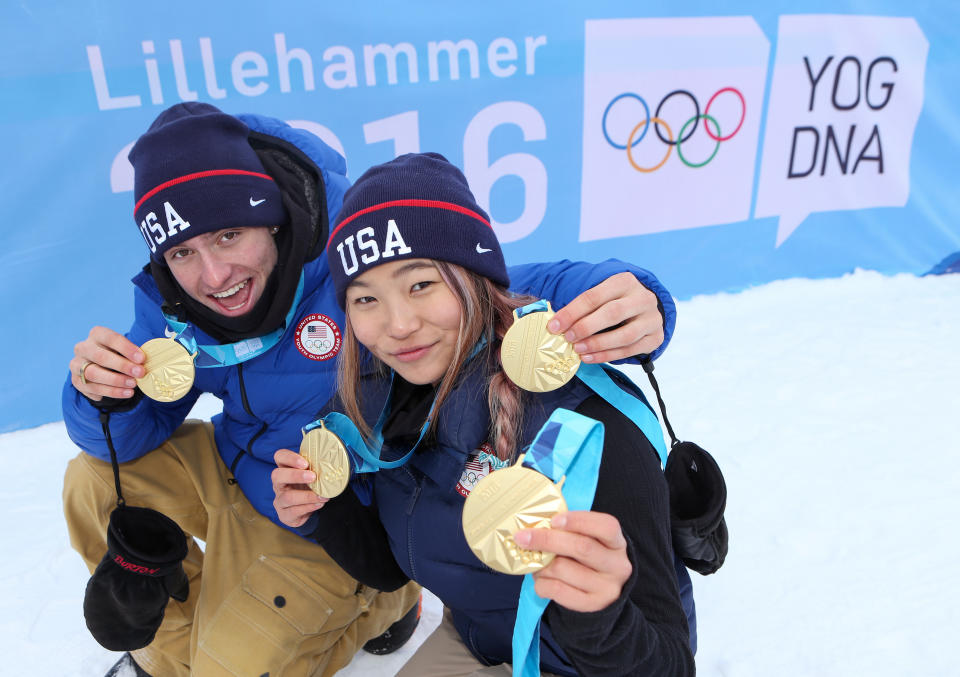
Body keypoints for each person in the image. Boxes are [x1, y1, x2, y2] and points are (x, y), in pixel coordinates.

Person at [63, 105, 678, 677]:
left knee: (229, 665)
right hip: (269, 478)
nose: (214, 276)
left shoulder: (353, 258)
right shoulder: (180, 301)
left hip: (341, 516)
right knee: (90, 481)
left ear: (273, 219)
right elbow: (131, 429)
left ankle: (369, 613)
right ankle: (172, 653)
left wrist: (628, 295)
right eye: (183, 251)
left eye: (229, 236)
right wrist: (105, 393)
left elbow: (494, 285)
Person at [273, 153, 695, 676]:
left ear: (474, 278)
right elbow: (387, 566)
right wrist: (325, 508)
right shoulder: (378, 399)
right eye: (365, 299)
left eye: (420, 284)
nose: (398, 325)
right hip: (481, 639)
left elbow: (671, 666)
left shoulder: (588, 430)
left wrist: (597, 615)